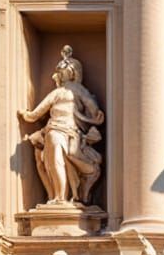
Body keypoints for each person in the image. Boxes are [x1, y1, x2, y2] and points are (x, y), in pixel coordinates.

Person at [19, 45, 104, 206]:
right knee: (55, 161)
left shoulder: (78, 90)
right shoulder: (57, 92)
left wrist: (95, 115)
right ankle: (59, 197)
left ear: (72, 73)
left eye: (63, 71)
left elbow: (92, 106)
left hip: (72, 132)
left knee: (69, 157)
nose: (59, 75)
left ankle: (73, 194)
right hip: (55, 130)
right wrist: (27, 115)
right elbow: (40, 110)